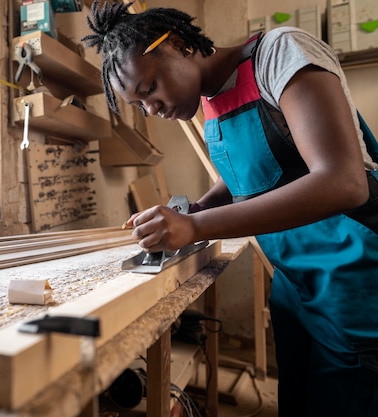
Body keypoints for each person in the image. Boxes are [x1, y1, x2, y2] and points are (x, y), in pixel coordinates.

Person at [82, 1, 378, 416]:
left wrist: (198, 225)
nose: (153, 109)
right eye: (139, 105)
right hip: (296, 282)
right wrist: (197, 208)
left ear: (181, 44)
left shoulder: (279, 53)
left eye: (150, 89)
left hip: (355, 282)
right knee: (296, 400)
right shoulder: (212, 99)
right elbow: (254, 167)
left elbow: (343, 182)